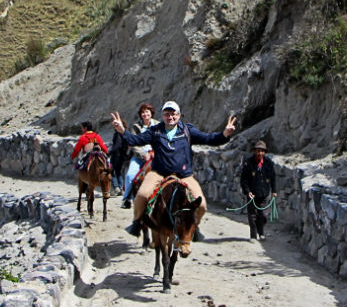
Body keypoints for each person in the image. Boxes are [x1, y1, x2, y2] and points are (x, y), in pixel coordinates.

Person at [111, 101, 236, 234]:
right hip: (159, 173)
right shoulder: (155, 131)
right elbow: (137, 140)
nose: (170, 117)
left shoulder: (188, 130)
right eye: (167, 114)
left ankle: (193, 226)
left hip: (184, 175)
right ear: (162, 116)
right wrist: (122, 131)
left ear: (179, 115)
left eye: (173, 114)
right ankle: (137, 222)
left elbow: (209, 138)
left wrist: (225, 134)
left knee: (202, 205)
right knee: (141, 195)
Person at [120, 102, 159, 208]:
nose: (145, 114)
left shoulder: (159, 125)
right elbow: (133, 143)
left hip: (156, 156)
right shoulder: (136, 127)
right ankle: (127, 198)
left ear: (151, 113)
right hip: (140, 157)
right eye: (142, 112)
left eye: (147, 111)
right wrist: (143, 154)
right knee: (130, 176)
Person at [239, 139, 277, 240]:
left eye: (262, 151)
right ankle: (253, 235)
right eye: (258, 151)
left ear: (264, 152)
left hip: (265, 192)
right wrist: (247, 191)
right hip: (252, 193)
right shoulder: (248, 163)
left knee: (263, 215)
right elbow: (244, 180)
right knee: (252, 215)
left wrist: (274, 191)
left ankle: (261, 232)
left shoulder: (268, 163)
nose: (260, 153)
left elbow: (273, 177)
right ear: (254, 151)